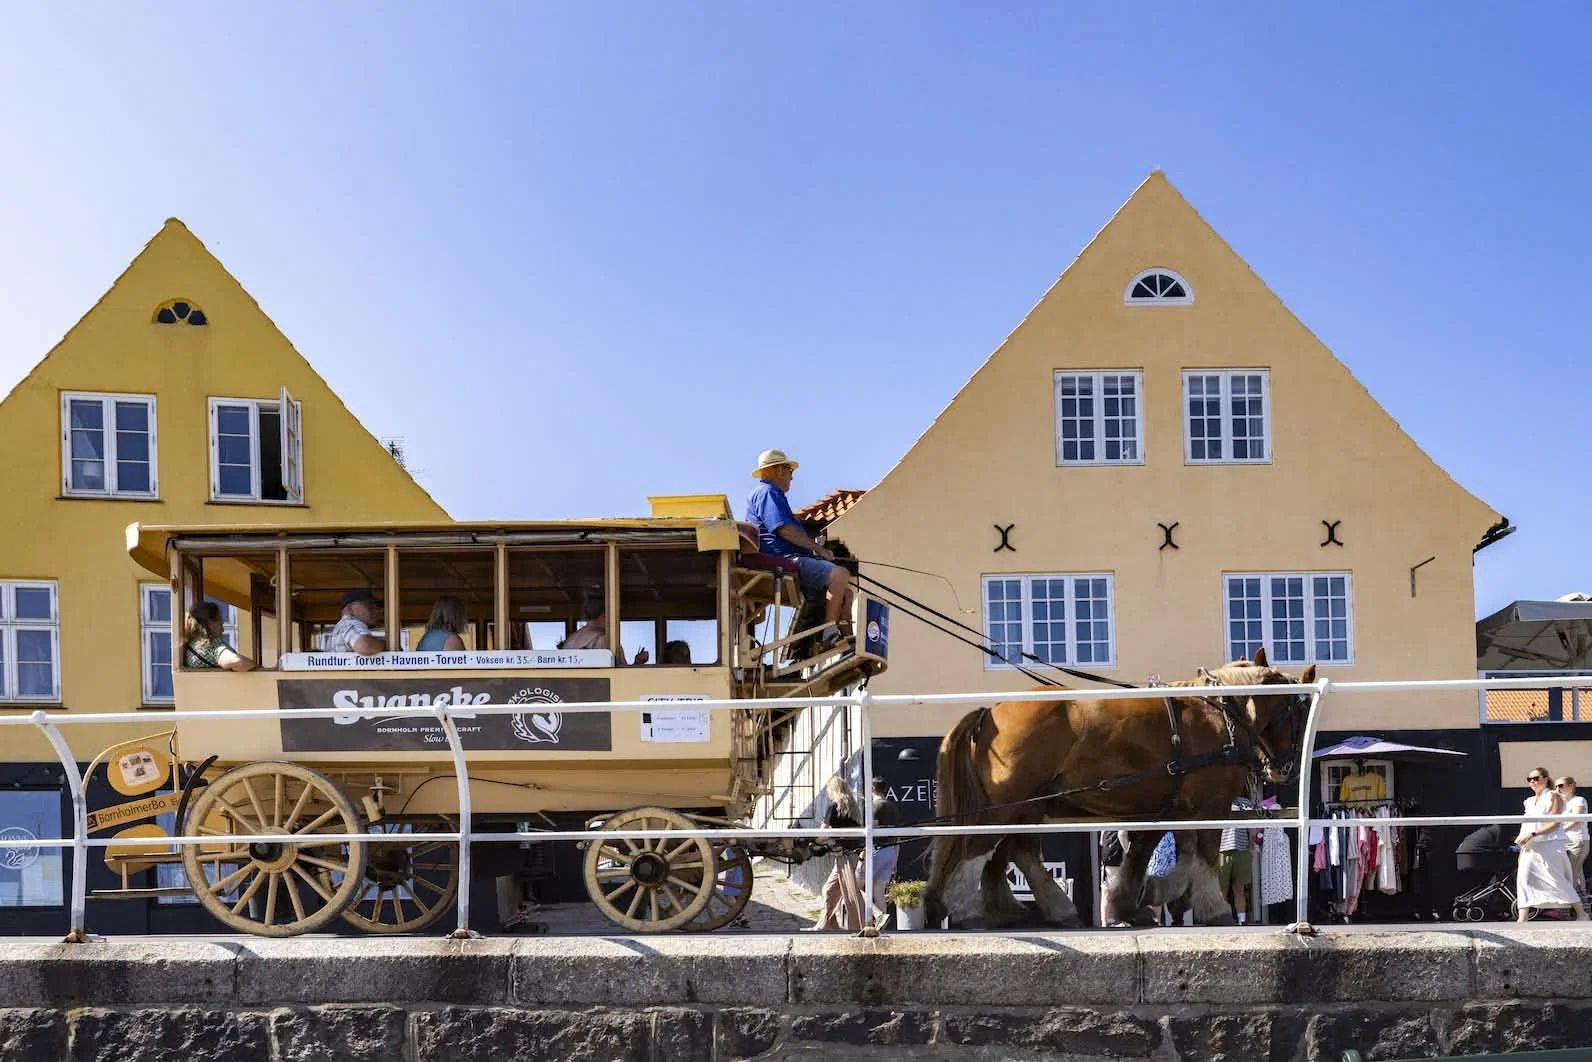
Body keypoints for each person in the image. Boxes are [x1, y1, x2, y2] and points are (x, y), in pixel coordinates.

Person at [743, 449, 853, 650]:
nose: (792, 476)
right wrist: (818, 550)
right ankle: (829, 633)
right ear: (777, 470)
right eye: (789, 470)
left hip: (789, 558)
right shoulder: (767, 493)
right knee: (840, 574)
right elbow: (785, 530)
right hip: (783, 559)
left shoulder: (771, 494)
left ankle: (848, 642)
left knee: (846, 594)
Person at [1514, 766, 1586, 921]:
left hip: (1549, 844)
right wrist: (1523, 845)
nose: (1532, 781)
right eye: (1529, 779)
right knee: (1523, 878)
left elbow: (1555, 823)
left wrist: (1533, 834)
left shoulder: (1554, 796)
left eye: (1536, 778)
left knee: (1556, 879)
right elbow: (1527, 825)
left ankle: (1582, 914)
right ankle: (1523, 918)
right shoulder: (1529, 801)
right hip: (1529, 846)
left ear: (1545, 779)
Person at [811, 774, 865, 932]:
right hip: (853, 852)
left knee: (851, 893)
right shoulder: (853, 808)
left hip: (844, 854)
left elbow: (824, 829)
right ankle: (828, 924)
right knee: (829, 890)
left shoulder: (834, 806)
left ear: (832, 789)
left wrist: (814, 842)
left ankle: (861, 925)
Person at [558, 588, 648, 664]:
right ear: (605, 615)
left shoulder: (570, 640)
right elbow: (623, 675)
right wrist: (637, 662)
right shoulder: (604, 640)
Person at [182, 601, 254, 671]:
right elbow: (237, 661)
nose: (223, 630)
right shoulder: (212, 646)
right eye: (221, 624)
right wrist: (256, 667)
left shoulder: (191, 646)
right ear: (211, 624)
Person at [1218, 797, 1255, 924]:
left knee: (1239, 888)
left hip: (1242, 849)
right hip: (1222, 849)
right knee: (1222, 889)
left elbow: (1252, 826)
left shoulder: (1246, 802)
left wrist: (1251, 847)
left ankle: (1241, 920)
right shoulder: (1218, 799)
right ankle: (1221, 917)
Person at [868, 776, 901, 915]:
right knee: (879, 891)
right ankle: (883, 920)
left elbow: (872, 832)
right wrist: (895, 859)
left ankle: (875, 915)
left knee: (855, 885)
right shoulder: (893, 808)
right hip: (890, 853)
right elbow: (898, 836)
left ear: (871, 789)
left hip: (877, 851)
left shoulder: (875, 806)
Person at [1555, 776, 1589, 901]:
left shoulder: (1578, 800)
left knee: (1572, 872)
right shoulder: (1562, 803)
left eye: (1561, 785)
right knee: (1577, 872)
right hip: (1565, 841)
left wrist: (1559, 831)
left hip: (1577, 841)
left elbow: (1576, 820)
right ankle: (1583, 902)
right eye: (1556, 786)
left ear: (1571, 786)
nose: (1558, 788)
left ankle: (1568, 904)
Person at [325, 589, 385, 656]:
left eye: (375, 607)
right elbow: (366, 646)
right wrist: (388, 644)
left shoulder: (340, 626)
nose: (376, 611)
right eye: (370, 607)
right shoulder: (350, 623)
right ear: (350, 608)